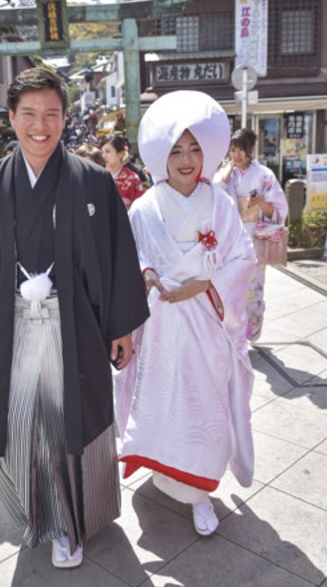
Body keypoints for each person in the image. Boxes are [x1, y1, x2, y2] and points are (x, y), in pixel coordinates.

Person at [0, 67, 149, 569]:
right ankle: (33, 515)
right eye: (29, 114)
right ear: (11, 118)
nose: (41, 125)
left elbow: (116, 255)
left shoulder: (94, 182)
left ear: (65, 118)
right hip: (11, 326)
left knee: (66, 427)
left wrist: (119, 325)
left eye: (52, 114)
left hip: (73, 328)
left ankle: (67, 526)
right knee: (20, 427)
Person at [113, 90, 257, 537]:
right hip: (159, 329)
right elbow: (129, 255)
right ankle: (168, 474)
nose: (187, 159)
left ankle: (201, 493)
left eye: (196, 148)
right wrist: (148, 271)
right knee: (162, 405)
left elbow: (244, 257)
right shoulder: (143, 207)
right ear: (161, 154)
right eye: (176, 149)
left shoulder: (221, 205)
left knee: (205, 406)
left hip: (208, 322)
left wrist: (207, 284)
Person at [212, 128, 289, 343]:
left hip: (254, 236)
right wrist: (226, 173)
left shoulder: (264, 175)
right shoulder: (228, 173)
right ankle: (233, 334)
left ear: (250, 150)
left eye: (240, 150)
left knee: (254, 290)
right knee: (230, 289)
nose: (236, 155)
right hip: (231, 240)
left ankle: (250, 334)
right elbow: (214, 194)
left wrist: (261, 203)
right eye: (233, 150)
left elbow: (280, 209)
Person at [100, 133, 145, 210]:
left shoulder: (132, 178)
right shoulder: (100, 177)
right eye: (102, 152)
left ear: (120, 153)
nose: (104, 156)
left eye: (107, 152)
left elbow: (141, 207)